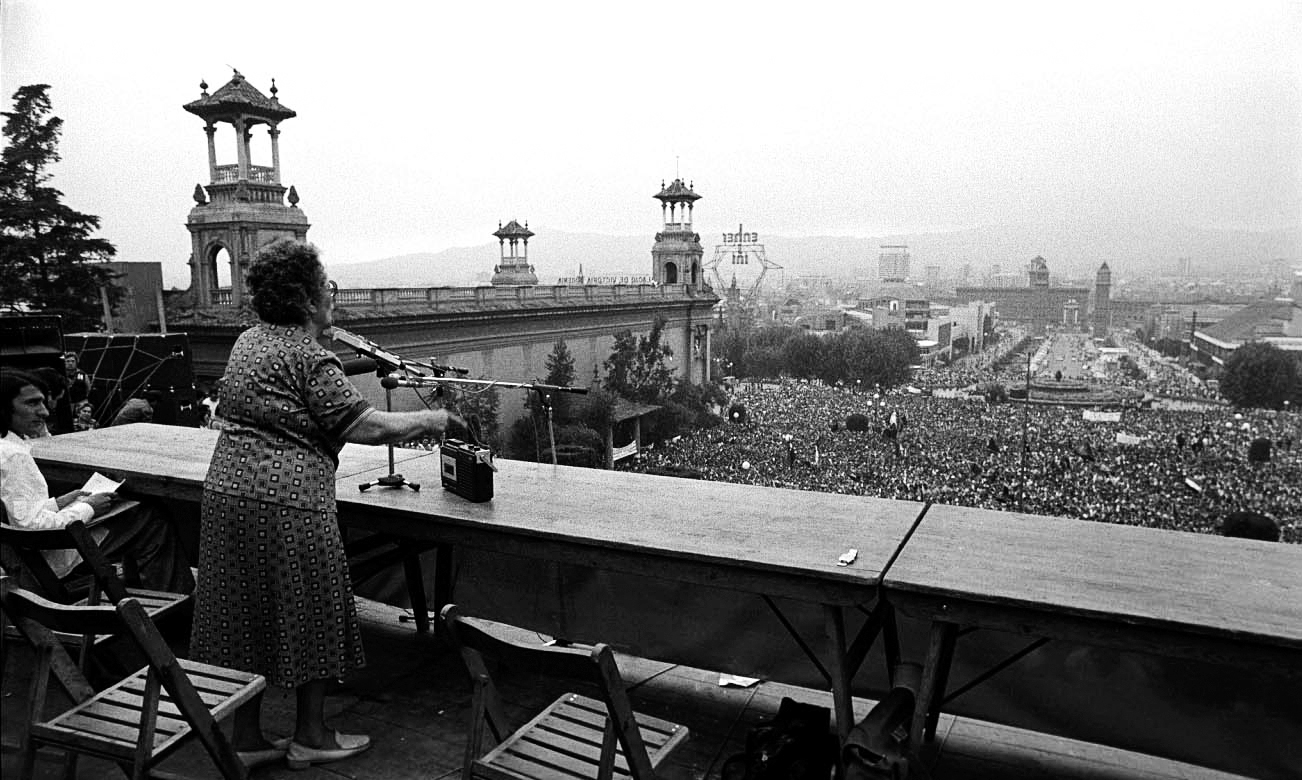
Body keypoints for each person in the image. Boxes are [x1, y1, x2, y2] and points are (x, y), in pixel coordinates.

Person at [189, 239, 461, 770]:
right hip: (289, 504)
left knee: (246, 615)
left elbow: (293, 403)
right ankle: (311, 735)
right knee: (311, 612)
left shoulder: (248, 341)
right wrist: (435, 420)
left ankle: (246, 735)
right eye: (325, 286)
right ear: (309, 297)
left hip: (227, 495)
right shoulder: (310, 356)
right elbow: (363, 424)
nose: (329, 294)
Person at [0, 369, 194, 593]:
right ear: (5, 407)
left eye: (42, 403)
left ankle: (146, 588)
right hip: (49, 558)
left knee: (135, 512)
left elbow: (19, 510)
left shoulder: (7, 448)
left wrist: (60, 503)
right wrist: (88, 507)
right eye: (32, 404)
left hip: (25, 558)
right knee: (152, 520)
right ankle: (178, 603)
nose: (43, 411)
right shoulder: (15, 456)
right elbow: (32, 527)